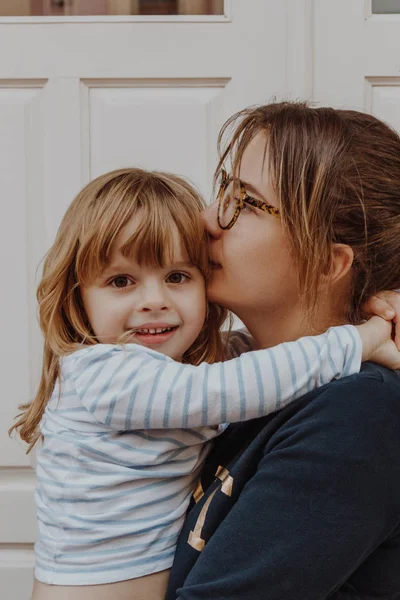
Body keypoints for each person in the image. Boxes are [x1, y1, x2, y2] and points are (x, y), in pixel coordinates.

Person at [9, 168, 390, 600]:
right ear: (77, 296)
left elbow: (267, 361)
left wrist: (368, 307)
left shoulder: (180, 374)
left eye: (177, 277)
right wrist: (363, 339)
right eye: (121, 281)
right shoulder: (105, 375)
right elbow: (236, 384)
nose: (154, 300)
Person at [165, 102, 400, 599]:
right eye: (225, 189)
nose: (209, 217)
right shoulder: (238, 383)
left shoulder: (356, 414)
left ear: (328, 263)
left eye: (246, 202)